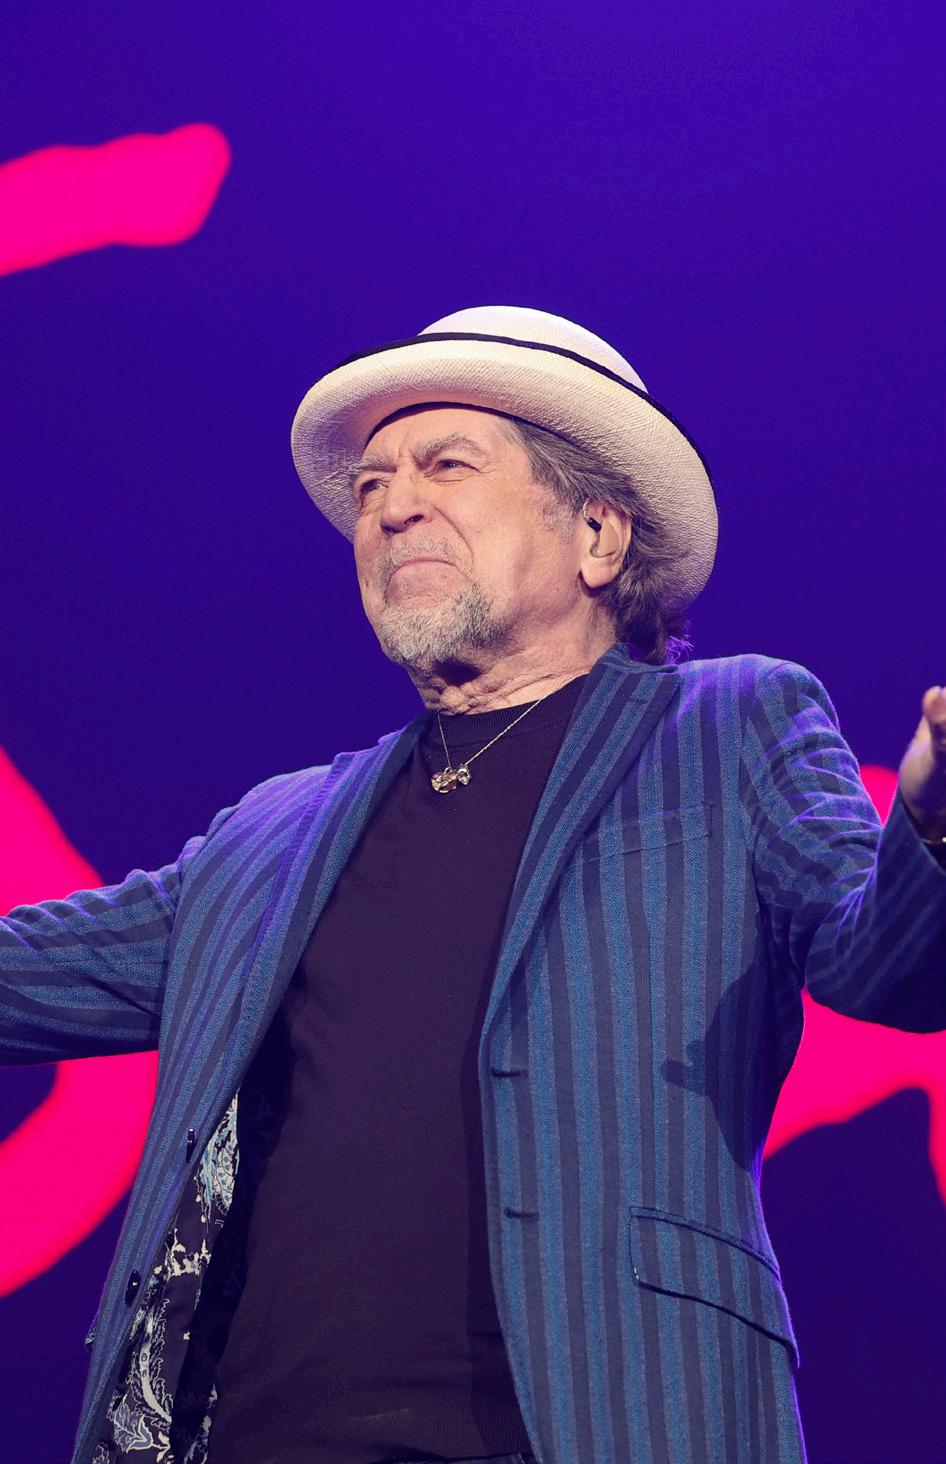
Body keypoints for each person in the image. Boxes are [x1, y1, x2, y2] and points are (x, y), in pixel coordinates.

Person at [2, 305, 945, 1464]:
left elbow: (886, 964)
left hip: (608, 1419)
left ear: (597, 534)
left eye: (445, 466)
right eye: (371, 486)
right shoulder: (271, 832)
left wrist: (933, 819)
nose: (391, 506)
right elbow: (23, 975)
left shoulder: (727, 725)